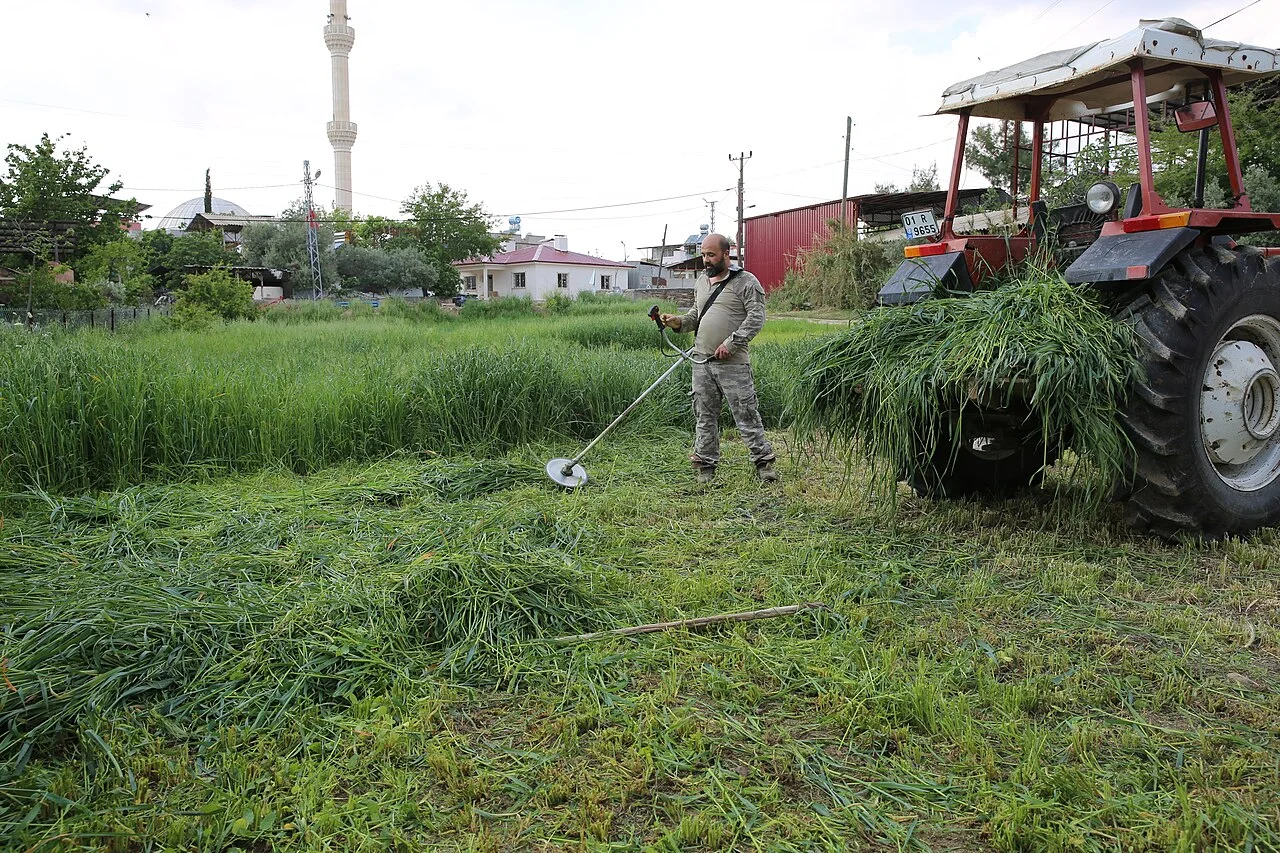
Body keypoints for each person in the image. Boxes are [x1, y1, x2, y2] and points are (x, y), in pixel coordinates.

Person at [660, 233, 777, 483]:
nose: (706, 260)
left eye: (711, 255)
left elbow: (756, 318)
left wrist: (731, 343)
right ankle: (706, 465)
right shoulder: (702, 282)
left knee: (746, 414)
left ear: (726, 254)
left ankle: (764, 463)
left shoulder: (746, 282)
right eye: (703, 255)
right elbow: (696, 315)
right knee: (704, 415)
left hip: (733, 364)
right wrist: (678, 322)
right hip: (702, 362)